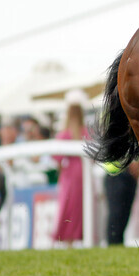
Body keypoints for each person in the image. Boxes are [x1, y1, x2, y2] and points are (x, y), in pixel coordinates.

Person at [53, 90, 89, 246]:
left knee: (67, 206)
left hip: (69, 174)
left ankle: (68, 240)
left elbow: (57, 159)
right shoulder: (86, 133)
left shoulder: (64, 135)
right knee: (81, 206)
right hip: (83, 172)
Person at [103, 160, 139, 245]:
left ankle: (118, 246)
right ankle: (113, 247)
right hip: (115, 175)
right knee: (116, 216)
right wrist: (130, 163)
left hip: (130, 176)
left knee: (124, 217)